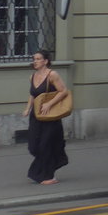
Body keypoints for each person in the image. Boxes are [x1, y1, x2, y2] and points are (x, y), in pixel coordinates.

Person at [22, 49, 69, 185]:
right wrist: (27, 109)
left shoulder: (52, 75)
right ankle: (51, 164)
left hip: (50, 116)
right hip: (36, 115)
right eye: (34, 59)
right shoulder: (32, 76)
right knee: (33, 146)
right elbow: (33, 95)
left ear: (45, 61)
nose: (34, 61)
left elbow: (63, 91)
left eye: (37, 59)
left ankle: (48, 176)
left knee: (45, 145)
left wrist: (49, 103)